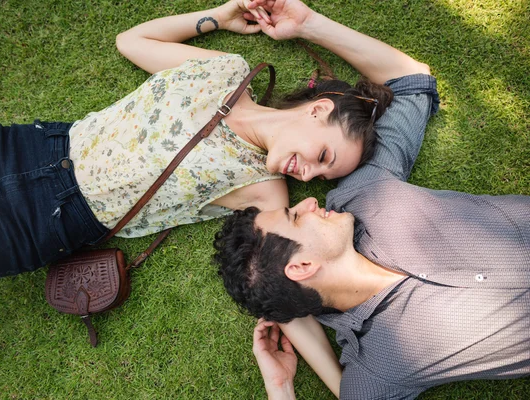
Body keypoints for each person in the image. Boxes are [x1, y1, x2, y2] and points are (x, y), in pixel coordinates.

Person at [0, 0, 394, 287]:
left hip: (43, 224)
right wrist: (219, 17)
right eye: (323, 157)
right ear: (318, 110)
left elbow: (272, 275)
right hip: (24, 145)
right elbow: (132, 40)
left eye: (321, 176)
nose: (307, 175)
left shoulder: (264, 189)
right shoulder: (227, 70)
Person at [212, 1, 530, 399]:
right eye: (296, 216)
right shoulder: (377, 368)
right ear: (303, 266)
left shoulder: (364, 192)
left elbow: (411, 81)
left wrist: (309, 23)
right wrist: (281, 389)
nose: (310, 201)